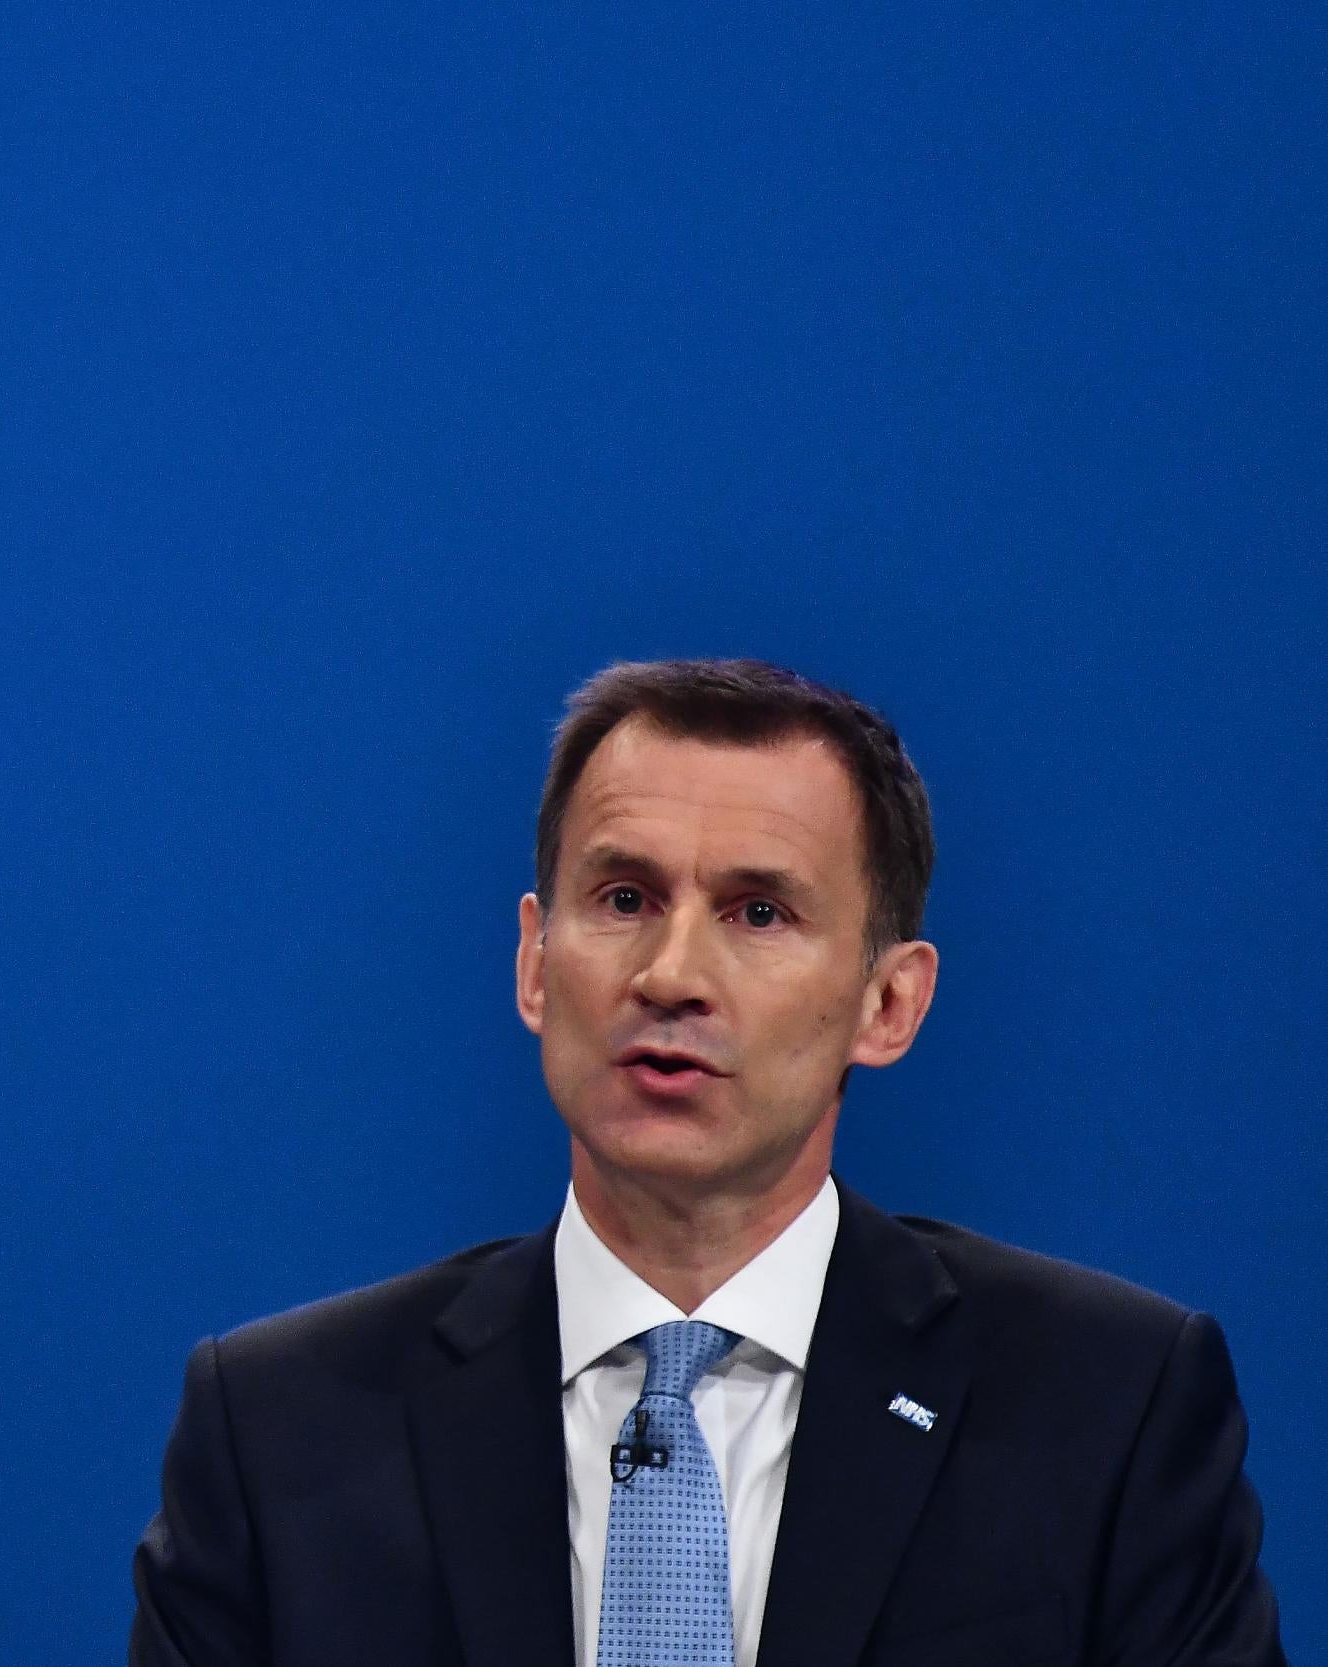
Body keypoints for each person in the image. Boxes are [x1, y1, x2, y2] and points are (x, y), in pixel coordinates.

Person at [128, 658, 1285, 1667]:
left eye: (758, 912)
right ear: (535, 962)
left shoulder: (1107, 1404)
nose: (671, 972)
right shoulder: (279, 1431)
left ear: (888, 1002)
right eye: (624, 897)